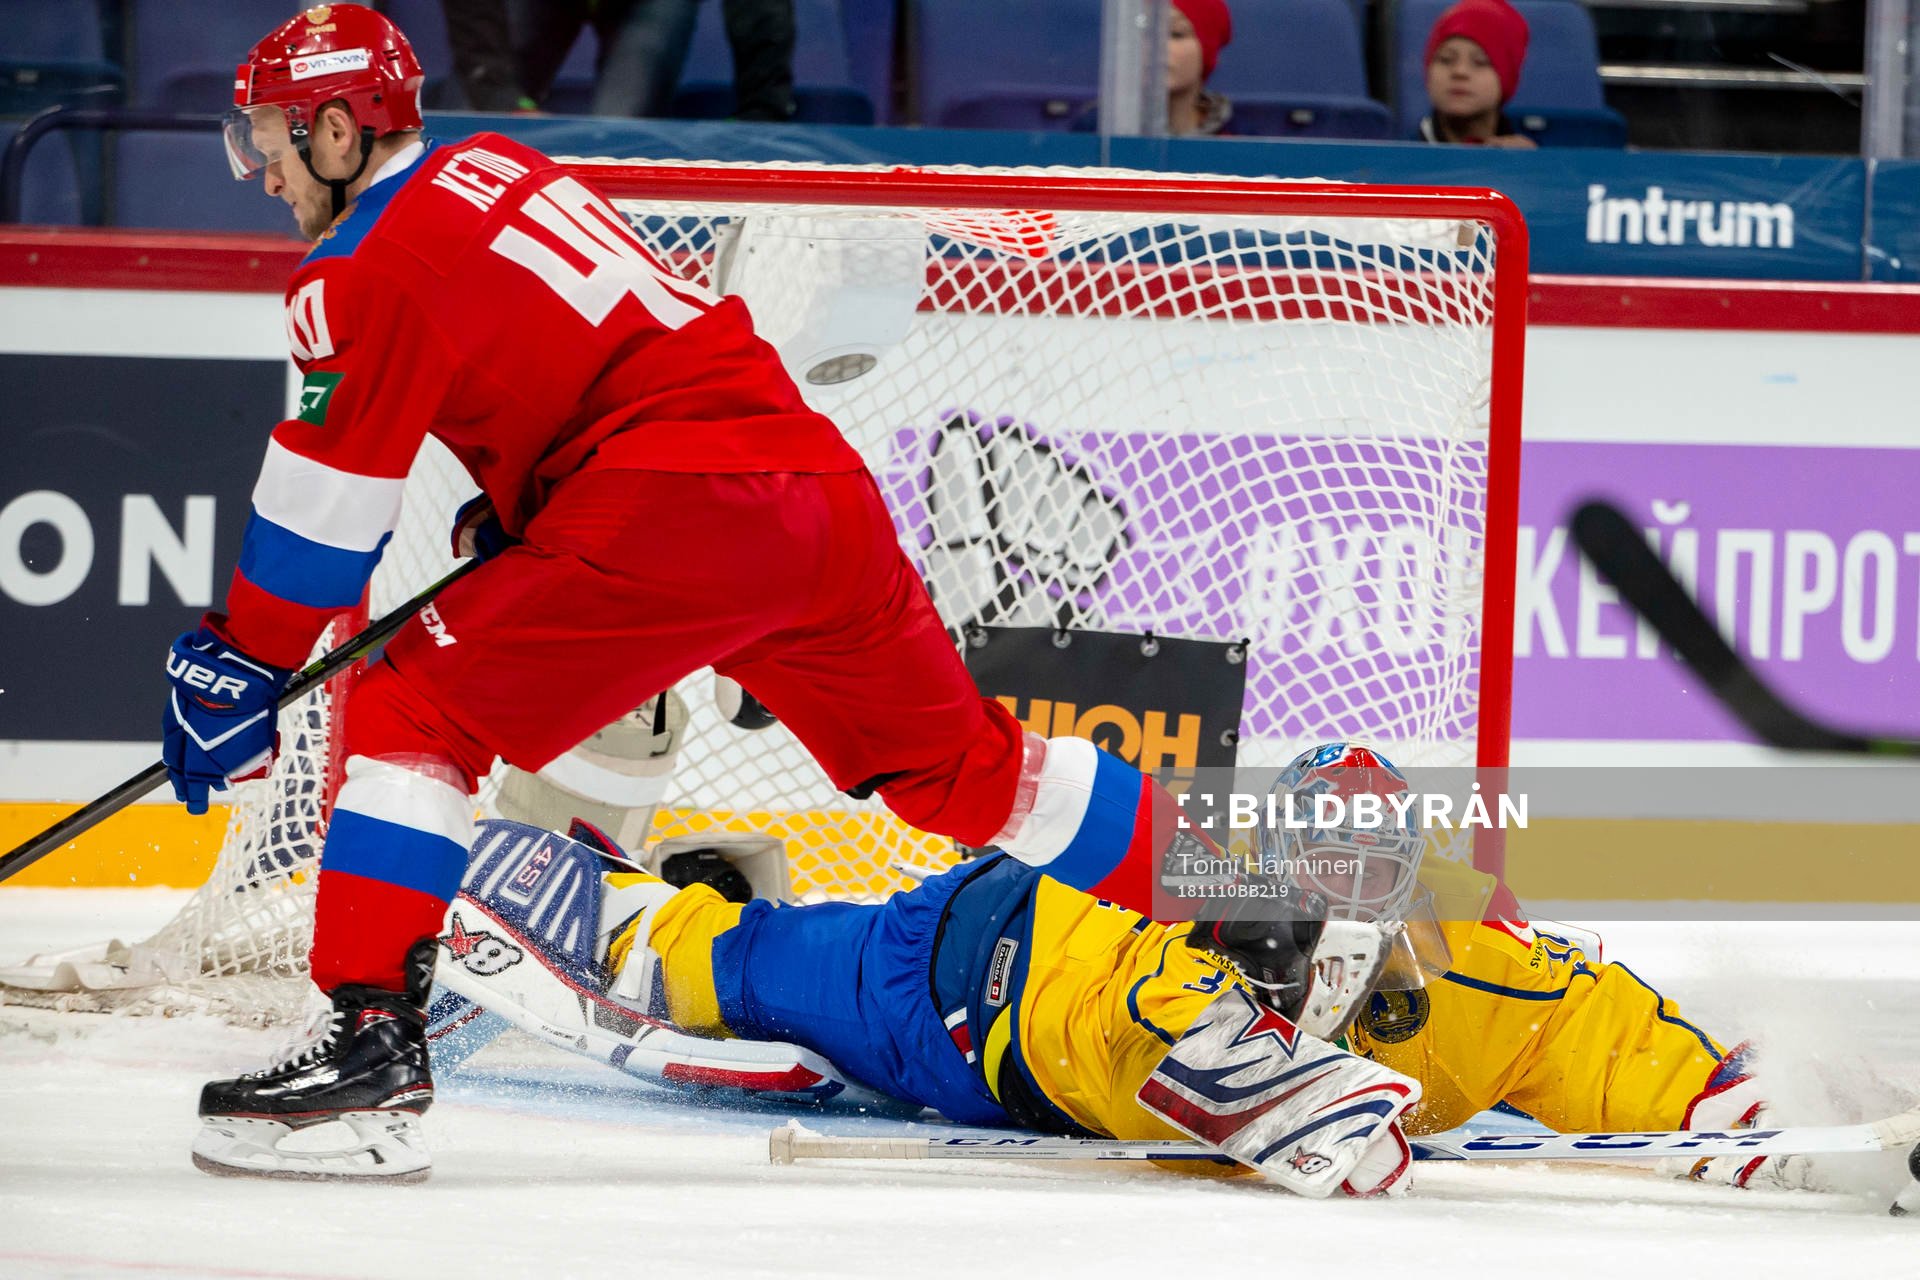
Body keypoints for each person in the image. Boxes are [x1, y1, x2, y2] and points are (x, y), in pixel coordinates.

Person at [176, 3, 1213, 1181]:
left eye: (268, 136)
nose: (259, 169)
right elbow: (596, 363)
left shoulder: (356, 267)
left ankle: (368, 1056)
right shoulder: (499, 166)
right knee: (966, 768)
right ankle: (1254, 899)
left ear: (337, 128)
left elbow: (324, 516)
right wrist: (531, 504)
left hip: (673, 510)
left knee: (411, 707)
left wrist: (241, 655)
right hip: (811, 486)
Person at [441, 742, 1793, 1196]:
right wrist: (1281, 1093)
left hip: (1013, 993)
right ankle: (564, 894)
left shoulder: (1472, 964)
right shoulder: (1205, 931)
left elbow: (1588, 1020)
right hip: (955, 987)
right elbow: (1160, 1038)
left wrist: (1721, 1109)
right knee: (731, 968)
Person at [1417, 0, 1538, 149]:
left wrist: (1528, 162)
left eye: (1480, 62)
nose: (1460, 72)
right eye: (1446, 59)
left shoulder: (1530, 156)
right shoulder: (1397, 155)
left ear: (1506, 78)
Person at [1168, 0, 1233, 137]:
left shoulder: (1237, 145)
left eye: (1176, 34)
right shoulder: (1119, 138)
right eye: (1144, 33)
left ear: (1207, 50)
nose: (1155, 47)